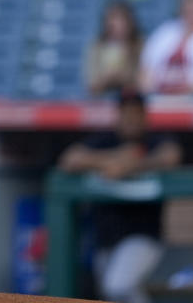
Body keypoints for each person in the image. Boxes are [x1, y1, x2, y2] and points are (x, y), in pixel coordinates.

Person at [59, 93, 183, 303]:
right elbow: (69, 160)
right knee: (111, 294)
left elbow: (171, 156)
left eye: (136, 113)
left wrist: (134, 164)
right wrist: (113, 159)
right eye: (126, 113)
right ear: (118, 115)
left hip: (144, 235)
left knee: (118, 286)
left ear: (145, 116)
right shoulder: (106, 141)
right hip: (106, 239)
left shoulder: (155, 140)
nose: (131, 119)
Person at [84, 0, 143, 97]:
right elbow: (91, 84)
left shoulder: (140, 46)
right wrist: (107, 78)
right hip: (102, 102)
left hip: (132, 102)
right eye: (113, 19)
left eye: (121, 19)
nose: (117, 24)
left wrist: (123, 76)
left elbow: (144, 81)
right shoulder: (97, 47)